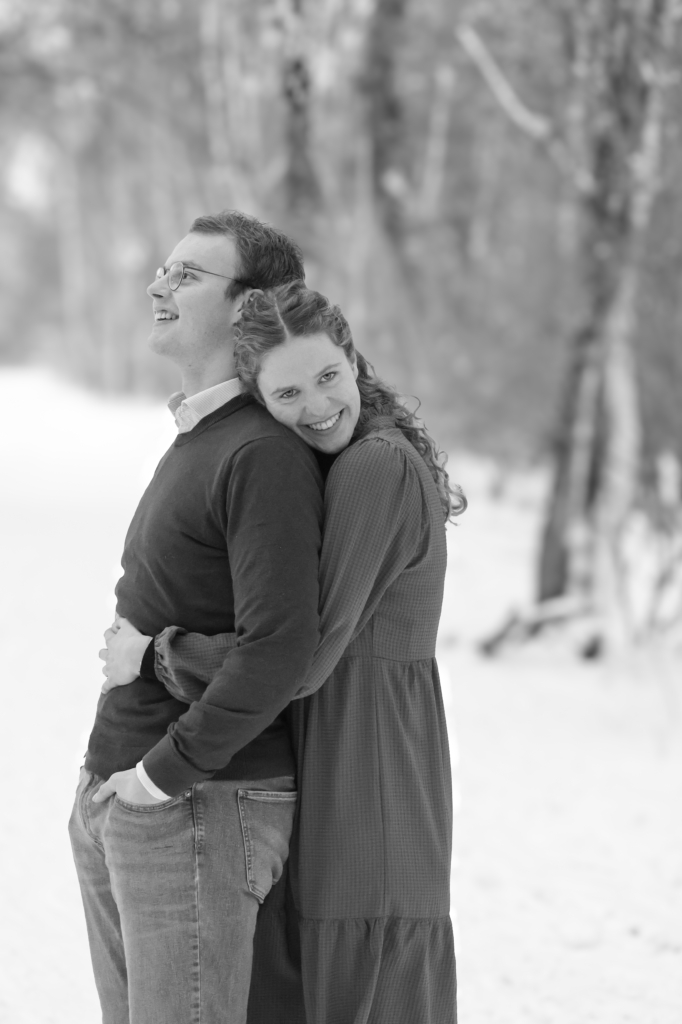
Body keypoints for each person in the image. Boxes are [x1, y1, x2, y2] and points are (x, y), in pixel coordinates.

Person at [103, 280, 466, 1024]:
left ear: (353, 359)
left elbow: (301, 658)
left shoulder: (376, 467)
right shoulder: (351, 458)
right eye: (288, 393)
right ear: (260, 400)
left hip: (369, 768)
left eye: (328, 376)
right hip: (342, 751)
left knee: (356, 988)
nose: (317, 405)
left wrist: (156, 656)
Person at [68, 212, 325, 1024]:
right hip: (132, 799)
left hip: (198, 808)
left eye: (187, 275)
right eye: (164, 268)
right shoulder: (202, 436)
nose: (159, 285)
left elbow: (280, 646)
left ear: (249, 305)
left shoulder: (262, 453)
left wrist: (158, 779)